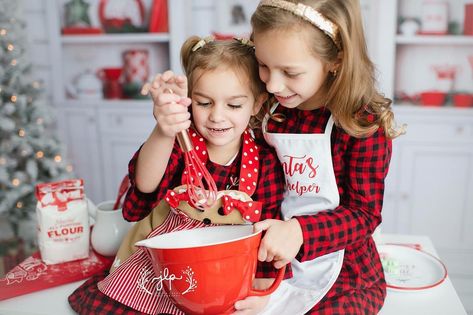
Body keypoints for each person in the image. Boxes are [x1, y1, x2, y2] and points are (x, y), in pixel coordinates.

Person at [68, 35, 290, 315]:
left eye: (233, 105)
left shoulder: (264, 162)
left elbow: (268, 231)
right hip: (168, 270)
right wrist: (164, 130)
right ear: (188, 101)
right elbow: (145, 188)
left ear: (257, 104)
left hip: (224, 271)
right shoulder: (179, 144)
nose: (217, 117)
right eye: (204, 103)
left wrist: (263, 290)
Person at [232, 0, 405, 314]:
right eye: (264, 65)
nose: (272, 83)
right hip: (273, 262)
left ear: (335, 61)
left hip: (347, 273)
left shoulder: (362, 125)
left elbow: (365, 214)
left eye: (290, 72)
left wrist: (299, 231)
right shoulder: (268, 109)